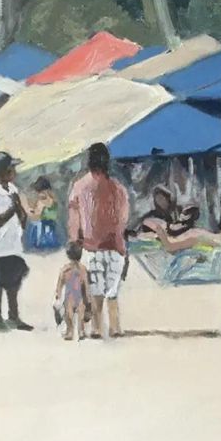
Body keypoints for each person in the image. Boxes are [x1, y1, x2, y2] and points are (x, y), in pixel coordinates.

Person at [68, 143, 130, 339]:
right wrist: (122, 246)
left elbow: (74, 220)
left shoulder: (79, 187)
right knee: (112, 290)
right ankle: (115, 327)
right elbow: (122, 220)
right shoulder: (118, 188)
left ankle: (96, 328)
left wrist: (75, 241)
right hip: (115, 247)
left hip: (90, 247)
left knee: (95, 290)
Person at [0, 152, 33, 332]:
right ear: (0, 173)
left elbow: (22, 219)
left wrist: (21, 211)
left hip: (13, 246)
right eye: (10, 169)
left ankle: (13, 316)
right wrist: (13, 208)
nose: (14, 172)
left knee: (13, 284)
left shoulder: (13, 191)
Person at [148, 204, 221, 253]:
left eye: (184, 213)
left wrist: (161, 234)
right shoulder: (189, 232)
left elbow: (170, 247)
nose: (181, 214)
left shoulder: (193, 233)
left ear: (189, 216)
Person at [54, 242, 92, 341]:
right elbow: (86, 285)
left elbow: (59, 284)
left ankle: (70, 332)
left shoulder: (65, 269)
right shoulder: (83, 269)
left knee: (68, 316)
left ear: (68, 255)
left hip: (69, 297)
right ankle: (81, 332)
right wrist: (88, 300)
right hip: (80, 297)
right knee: (81, 317)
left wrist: (58, 295)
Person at [28, 176, 60, 250]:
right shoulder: (53, 200)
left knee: (34, 224)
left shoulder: (42, 202)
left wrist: (31, 212)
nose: (38, 194)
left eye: (39, 192)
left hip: (42, 230)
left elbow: (37, 215)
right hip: (51, 227)